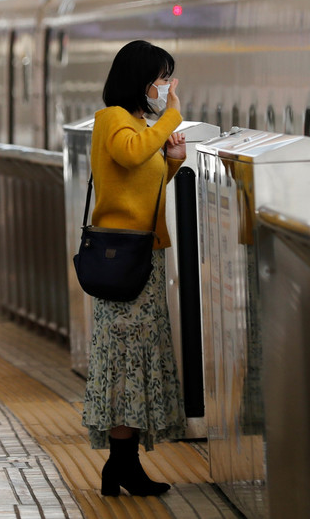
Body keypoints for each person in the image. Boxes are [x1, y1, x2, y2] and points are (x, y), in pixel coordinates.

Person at [82, 40, 187, 497]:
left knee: (139, 362)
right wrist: (172, 117)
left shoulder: (142, 125)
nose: (166, 87)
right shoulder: (113, 121)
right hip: (121, 259)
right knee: (125, 361)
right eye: (162, 78)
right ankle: (121, 466)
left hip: (144, 254)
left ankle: (123, 466)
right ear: (139, 80)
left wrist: (173, 164)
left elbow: (141, 184)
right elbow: (128, 155)